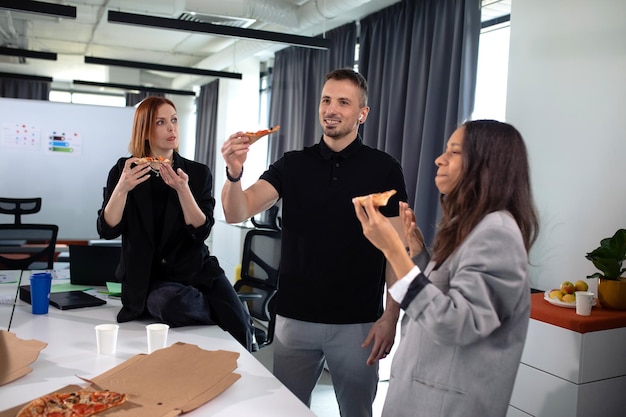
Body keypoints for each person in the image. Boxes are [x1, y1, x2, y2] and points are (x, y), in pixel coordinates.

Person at [221, 68, 408, 417]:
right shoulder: (292, 164)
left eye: (343, 102)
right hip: (294, 321)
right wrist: (233, 173)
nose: (331, 109)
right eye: (326, 100)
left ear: (362, 114)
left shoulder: (384, 169)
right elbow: (237, 211)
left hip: (359, 325)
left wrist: (390, 317)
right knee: (287, 412)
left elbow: (396, 252)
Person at [353, 119, 539, 417]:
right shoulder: (473, 227)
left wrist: (392, 249)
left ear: (486, 165)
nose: (440, 159)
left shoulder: (498, 233)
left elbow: (457, 323)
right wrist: (416, 254)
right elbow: (444, 295)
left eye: (454, 152)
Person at [97, 96, 253, 351]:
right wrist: (122, 189)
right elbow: (107, 229)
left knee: (241, 326)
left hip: (196, 271)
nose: (172, 128)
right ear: (145, 130)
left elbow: (200, 231)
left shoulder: (198, 172)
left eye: (174, 120)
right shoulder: (124, 171)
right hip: (150, 280)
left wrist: (184, 190)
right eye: (161, 122)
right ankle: (222, 309)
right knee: (169, 303)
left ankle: (234, 325)